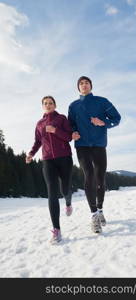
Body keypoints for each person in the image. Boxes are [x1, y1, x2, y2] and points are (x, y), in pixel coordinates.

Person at [68, 76, 121, 234]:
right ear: (78, 88)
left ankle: (100, 209)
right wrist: (73, 132)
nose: (84, 85)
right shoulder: (73, 105)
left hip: (99, 144)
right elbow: (70, 124)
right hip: (82, 145)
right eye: (81, 83)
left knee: (100, 177)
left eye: (86, 83)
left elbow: (117, 118)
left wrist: (103, 122)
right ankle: (93, 216)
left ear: (91, 86)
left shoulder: (102, 101)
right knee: (89, 175)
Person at [26, 96, 73, 244]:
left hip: (64, 157)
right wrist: (31, 154)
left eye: (50, 103)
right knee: (52, 192)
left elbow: (69, 137)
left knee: (65, 189)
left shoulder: (62, 119)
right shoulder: (39, 124)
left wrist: (55, 130)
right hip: (47, 161)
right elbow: (37, 142)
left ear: (55, 105)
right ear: (42, 106)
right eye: (45, 103)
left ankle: (68, 202)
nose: (48, 105)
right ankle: (56, 230)